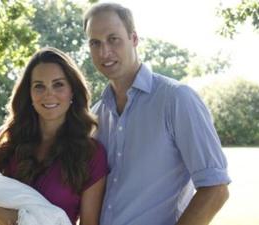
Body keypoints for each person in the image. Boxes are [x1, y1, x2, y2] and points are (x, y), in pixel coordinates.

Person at [83, 2, 231, 225]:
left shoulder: (177, 99)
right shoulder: (96, 115)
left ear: (134, 39)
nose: (104, 52)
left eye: (113, 39)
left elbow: (215, 189)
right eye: (95, 43)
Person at [0, 47, 108, 225]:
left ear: (72, 90)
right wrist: (15, 219)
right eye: (39, 86)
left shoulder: (91, 154)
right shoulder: (6, 138)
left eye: (58, 84)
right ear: (29, 93)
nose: (48, 94)